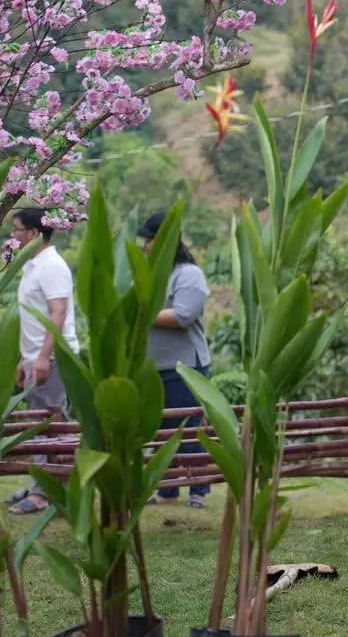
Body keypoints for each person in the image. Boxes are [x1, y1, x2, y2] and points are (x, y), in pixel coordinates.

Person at [7, 208, 79, 515]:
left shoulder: (51, 266)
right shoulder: (33, 265)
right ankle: (43, 483)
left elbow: (58, 313)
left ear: (35, 233)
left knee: (51, 423)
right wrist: (25, 359)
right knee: (41, 422)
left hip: (53, 357)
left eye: (18, 230)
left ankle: (44, 493)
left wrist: (44, 357)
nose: (13, 236)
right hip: (36, 356)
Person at [138, 212, 213, 508]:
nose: (145, 246)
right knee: (160, 430)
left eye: (150, 240)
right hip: (153, 366)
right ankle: (167, 489)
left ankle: (197, 489)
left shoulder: (188, 275)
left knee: (188, 427)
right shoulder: (150, 273)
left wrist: (139, 315)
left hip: (185, 366)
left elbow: (182, 316)